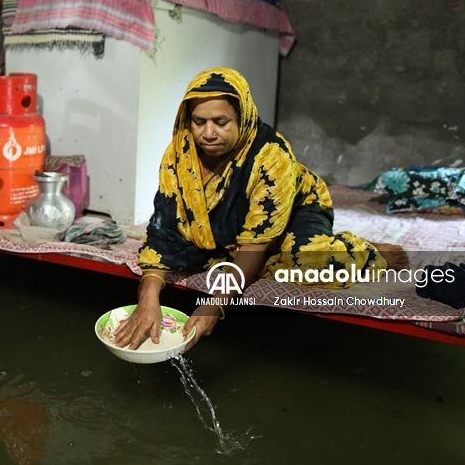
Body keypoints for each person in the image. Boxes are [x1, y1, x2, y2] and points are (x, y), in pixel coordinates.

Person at [114, 68, 388, 351]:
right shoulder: (180, 154)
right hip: (226, 228)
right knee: (194, 254)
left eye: (221, 122)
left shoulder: (272, 157)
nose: (208, 133)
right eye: (198, 122)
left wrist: (215, 304)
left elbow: (255, 245)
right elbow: (164, 229)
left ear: (242, 117)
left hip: (296, 210)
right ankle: (233, 251)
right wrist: (147, 299)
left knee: (309, 264)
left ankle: (362, 252)